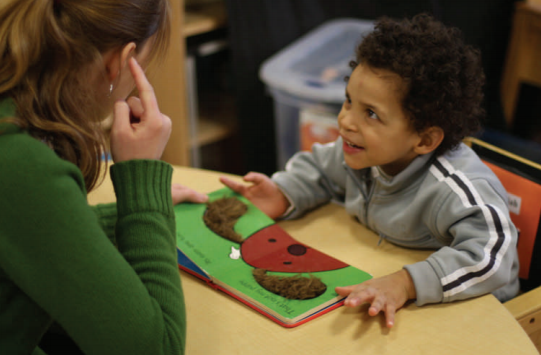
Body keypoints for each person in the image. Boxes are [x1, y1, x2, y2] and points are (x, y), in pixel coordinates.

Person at [220, 13, 520, 329]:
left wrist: (406, 283)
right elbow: (318, 169)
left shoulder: (454, 188)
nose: (346, 121)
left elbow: (492, 258)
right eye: (349, 101)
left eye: (372, 114)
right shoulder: (362, 153)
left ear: (424, 139)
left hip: (478, 319)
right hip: (393, 289)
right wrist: (283, 193)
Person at [0, 1, 208, 354]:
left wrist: (119, 214)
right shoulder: (22, 161)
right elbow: (157, 348)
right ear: (120, 61)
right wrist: (142, 185)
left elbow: (29, 229)